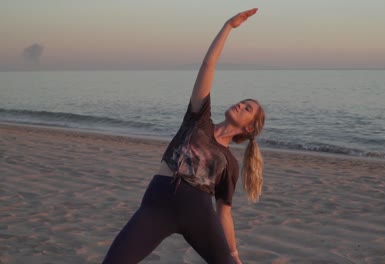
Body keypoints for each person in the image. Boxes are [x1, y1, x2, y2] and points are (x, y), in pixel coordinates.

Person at [102, 8, 265, 264]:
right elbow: (208, 65)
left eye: (247, 109)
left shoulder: (230, 165)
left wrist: (234, 255)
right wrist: (228, 27)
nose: (240, 105)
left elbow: (224, 214)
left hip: (198, 215)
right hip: (157, 206)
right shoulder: (199, 118)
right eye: (242, 101)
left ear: (248, 128)